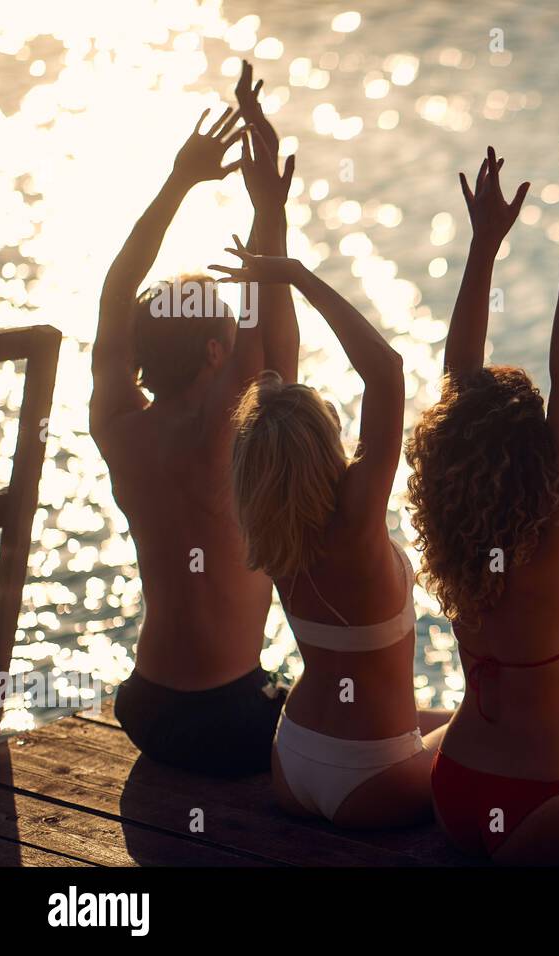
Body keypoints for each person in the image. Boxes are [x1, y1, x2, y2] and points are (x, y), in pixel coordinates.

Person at [405, 143, 559, 863]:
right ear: (538, 456)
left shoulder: (455, 532)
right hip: (543, 813)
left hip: (457, 791)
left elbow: (459, 381)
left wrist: (485, 244)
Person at [213, 214, 452, 828]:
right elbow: (386, 370)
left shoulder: (267, 518)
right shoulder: (355, 519)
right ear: (325, 442)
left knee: (459, 718)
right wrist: (295, 275)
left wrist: (273, 251)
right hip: (375, 772)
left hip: (293, 758)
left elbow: (276, 418)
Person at [94, 72, 296, 777]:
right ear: (215, 351)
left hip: (145, 709)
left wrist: (180, 181)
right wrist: (267, 205)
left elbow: (117, 292)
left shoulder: (118, 426)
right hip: (232, 717)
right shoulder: (225, 426)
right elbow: (268, 329)